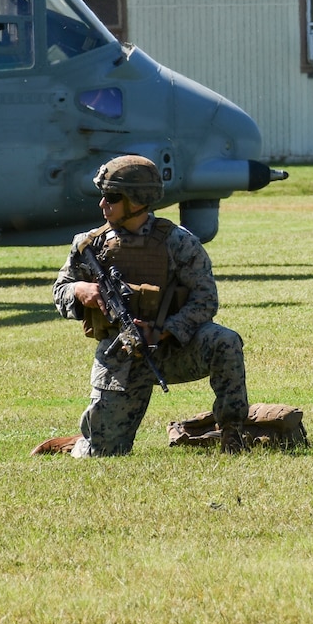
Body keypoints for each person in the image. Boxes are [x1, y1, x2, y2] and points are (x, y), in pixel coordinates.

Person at [47, 155, 251, 456]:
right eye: (102, 196)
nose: (103, 205)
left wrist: (165, 330)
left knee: (225, 341)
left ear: (137, 200)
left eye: (112, 197)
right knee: (102, 454)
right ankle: (83, 442)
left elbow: (205, 299)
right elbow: (59, 291)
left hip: (174, 349)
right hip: (122, 356)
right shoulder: (89, 245)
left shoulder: (179, 243)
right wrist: (79, 290)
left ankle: (233, 434)